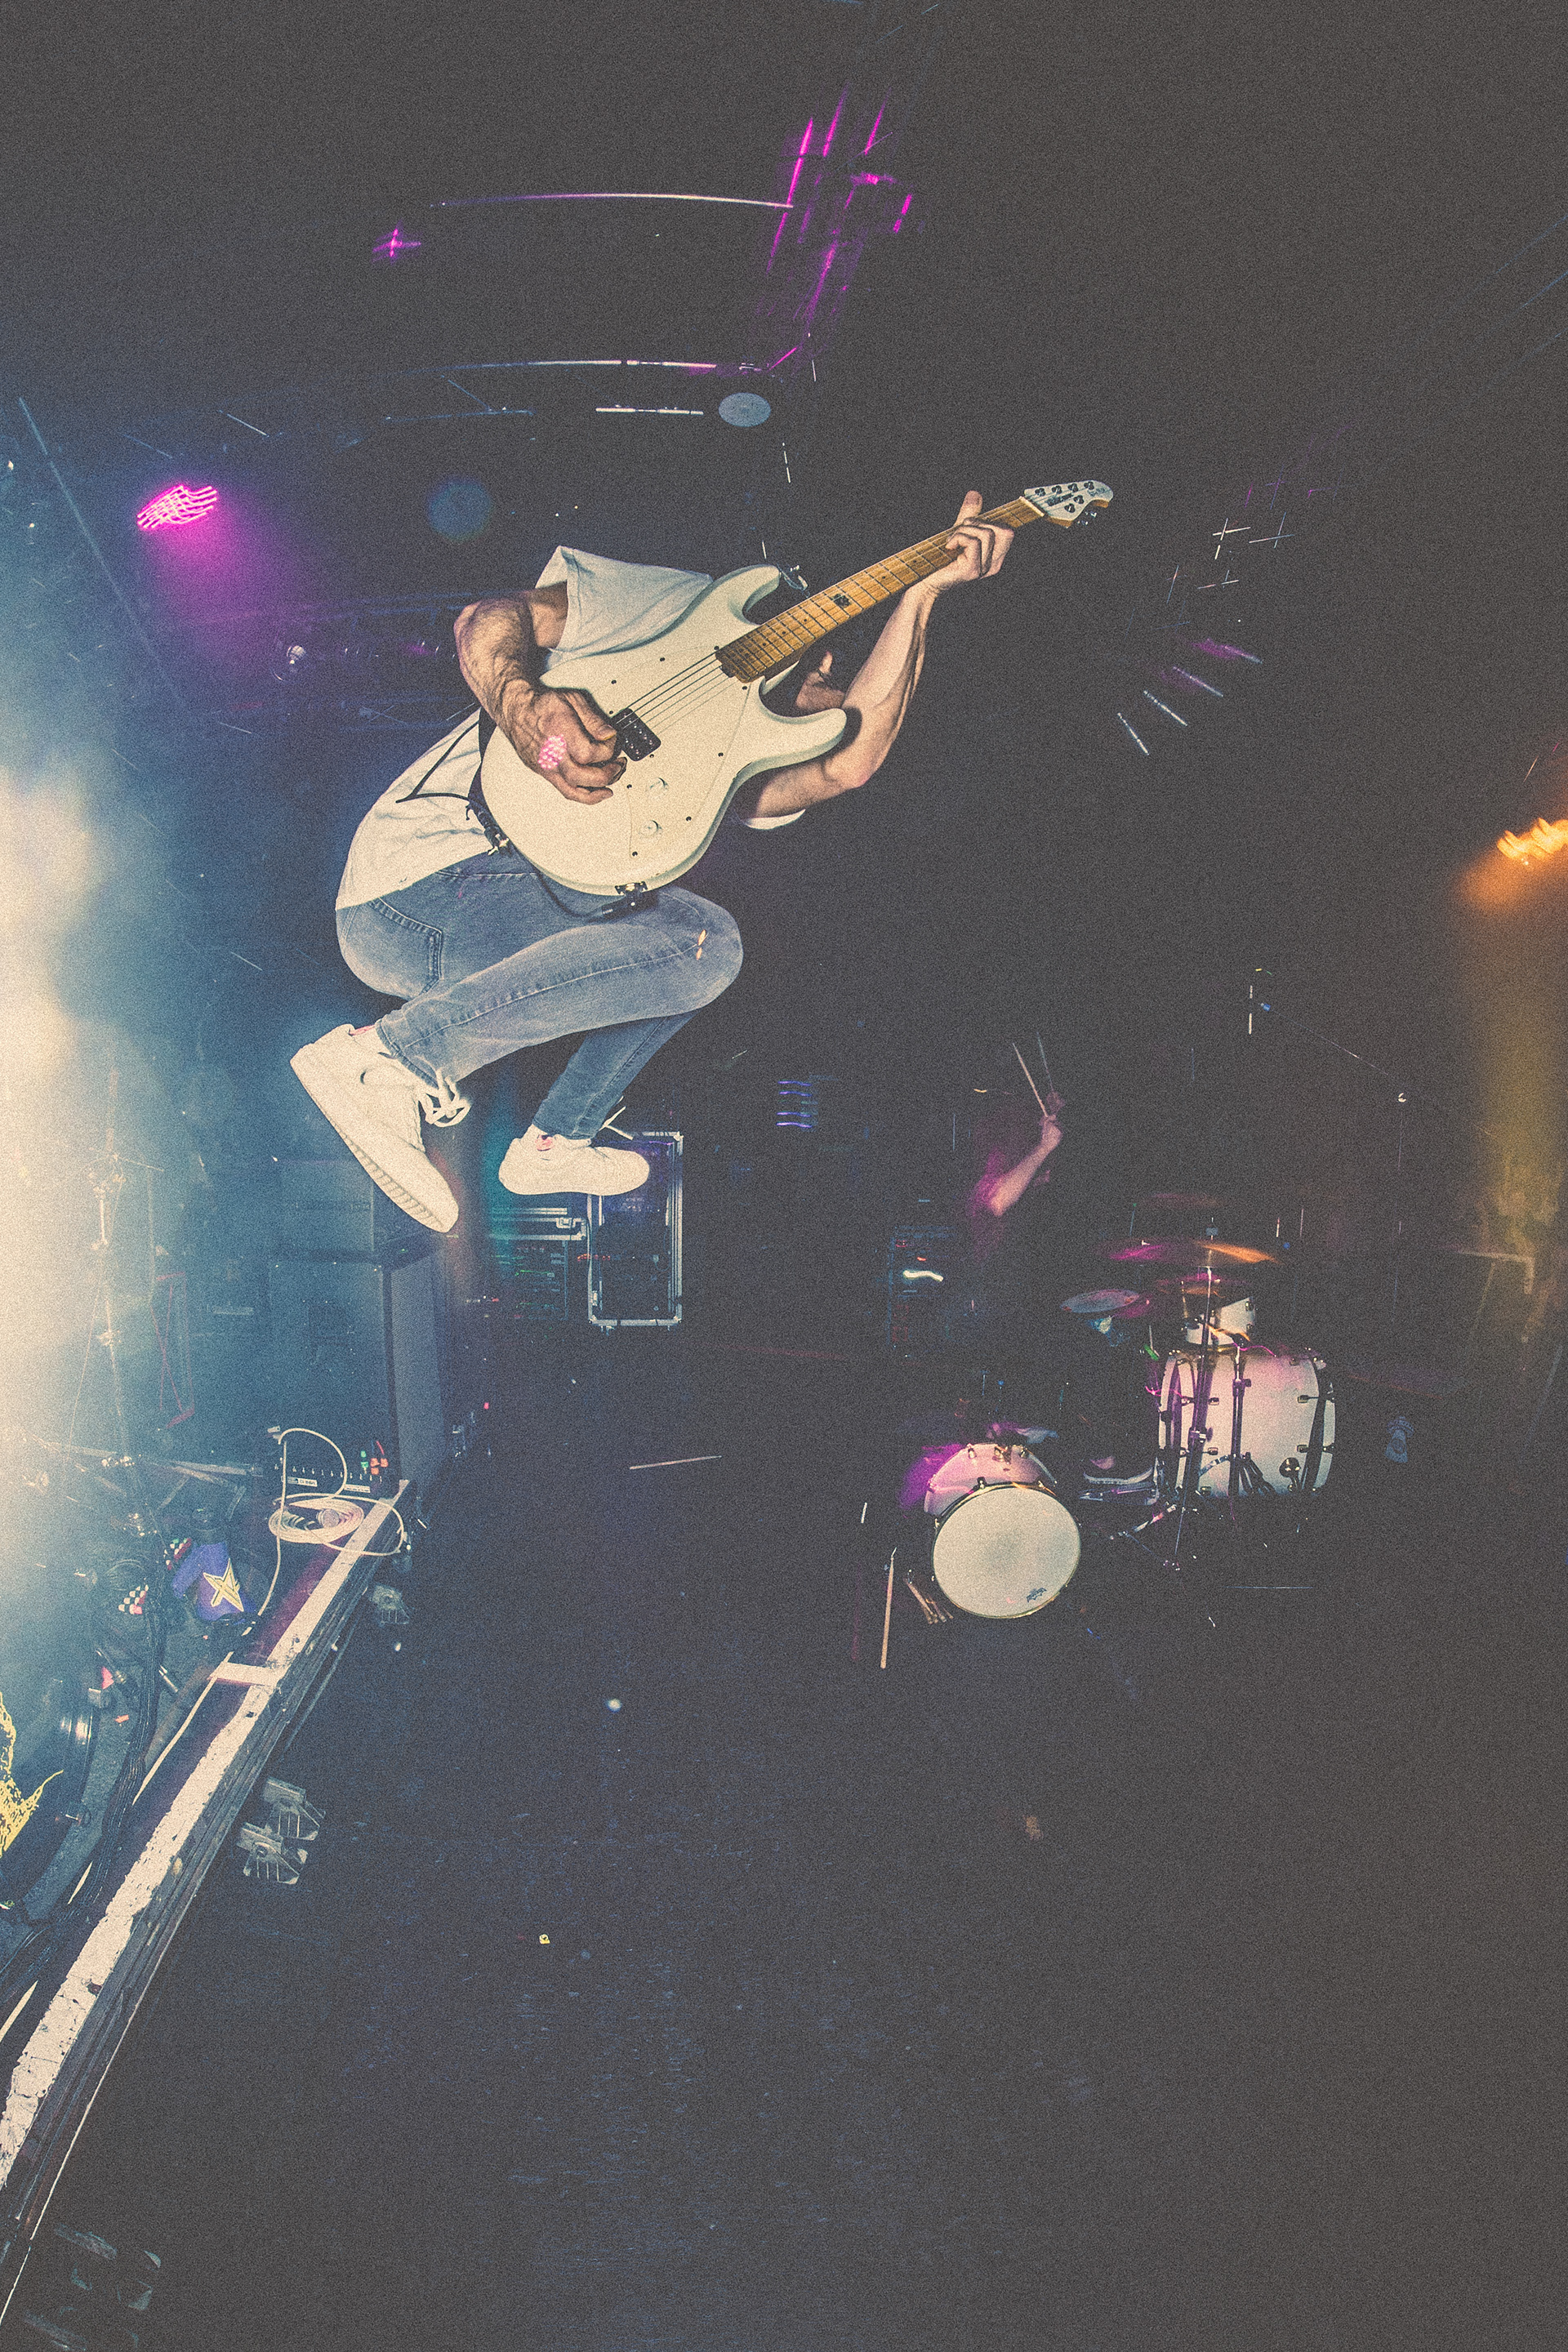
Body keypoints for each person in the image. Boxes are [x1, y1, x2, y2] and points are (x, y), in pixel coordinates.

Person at [290, 494, 1014, 1231]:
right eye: (833, 691)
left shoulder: (744, 757)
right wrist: (521, 705)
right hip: (420, 882)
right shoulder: (677, 608)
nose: (826, 719)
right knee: (703, 939)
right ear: (823, 656)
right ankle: (384, 1063)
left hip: (470, 942)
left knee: (695, 948)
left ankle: (556, 1141)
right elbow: (486, 619)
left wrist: (922, 594)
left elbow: (849, 761)